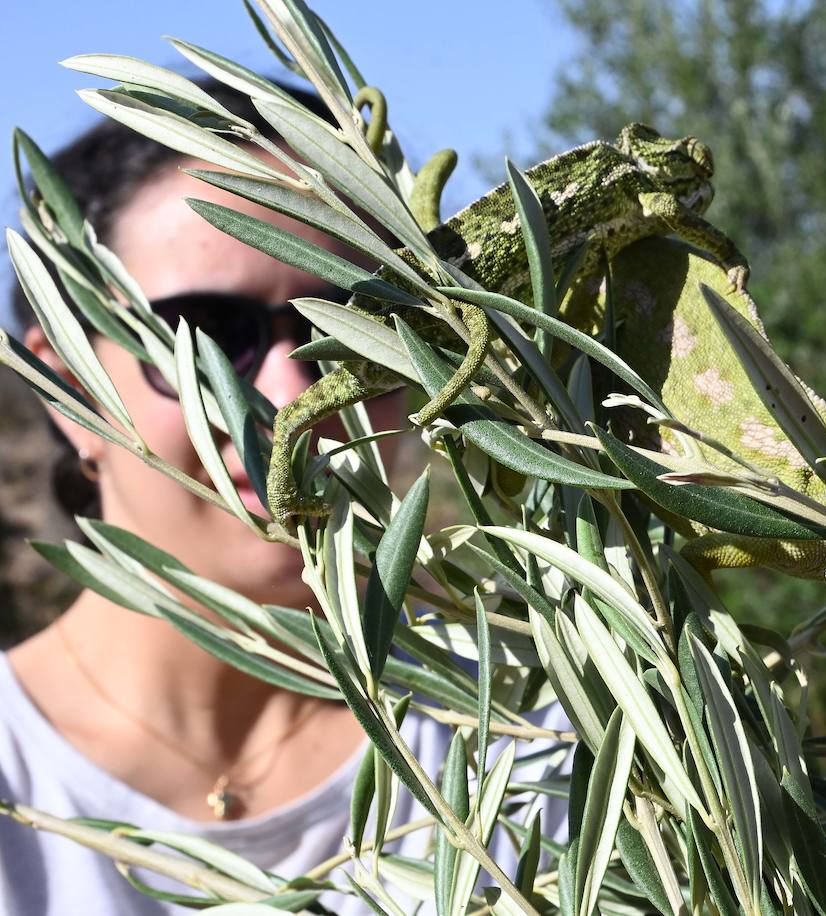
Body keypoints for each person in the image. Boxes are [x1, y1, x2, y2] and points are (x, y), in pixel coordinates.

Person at [0, 79, 570, 914]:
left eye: (347, 335)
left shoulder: (539, 742)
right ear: (69, 386)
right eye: (202, 339)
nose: (288, 397)